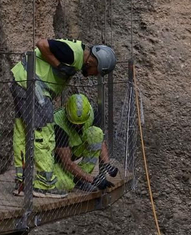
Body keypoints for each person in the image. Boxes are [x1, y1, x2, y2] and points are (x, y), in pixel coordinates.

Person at [9, 39, 115, 194]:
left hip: (22, 81)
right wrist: (59, 65)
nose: (94, 75)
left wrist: (106, 164)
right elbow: (42, 44)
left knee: (22, 132)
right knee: (44, 133)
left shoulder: (76, 55)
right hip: (33, 85)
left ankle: (22, 182)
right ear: (93, 61)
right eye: (96, 72)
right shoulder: (73, 53)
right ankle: (44, 185)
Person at [53, 93, 115, 191]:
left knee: (96, 133)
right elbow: (67, 162)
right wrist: (93, 180)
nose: (78, 126)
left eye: (81, 124)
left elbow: (100, 141)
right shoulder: (58, 124)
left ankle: (81, 179)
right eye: (74, 123)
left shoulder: (92, 114)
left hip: (76, 149)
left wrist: (107, 164)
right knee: (66, 184)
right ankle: (80, 178)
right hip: (58, 159)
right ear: (66, 114)